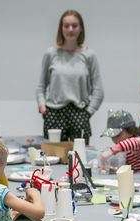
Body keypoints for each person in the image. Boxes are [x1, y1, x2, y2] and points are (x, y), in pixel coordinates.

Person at [36, 9, 104, 143]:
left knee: (78, 160)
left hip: (79, 113)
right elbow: (41, 86)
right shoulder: (51, 54)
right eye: (66, 25)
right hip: (53, 114)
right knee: (52, 158)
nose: (70, 29)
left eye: (74, 25)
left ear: (81, 28)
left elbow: (98, 90)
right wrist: (42, 107)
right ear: (61, 28)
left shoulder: (89, 55)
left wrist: (87, 113)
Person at [100, 110, 140, 178]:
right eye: (112, 137)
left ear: (130, 131)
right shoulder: (124, 148)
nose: (115, 140)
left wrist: (110, 152)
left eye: (118, 135)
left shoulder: (139, 141)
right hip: (137, 178)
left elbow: (128, 143)